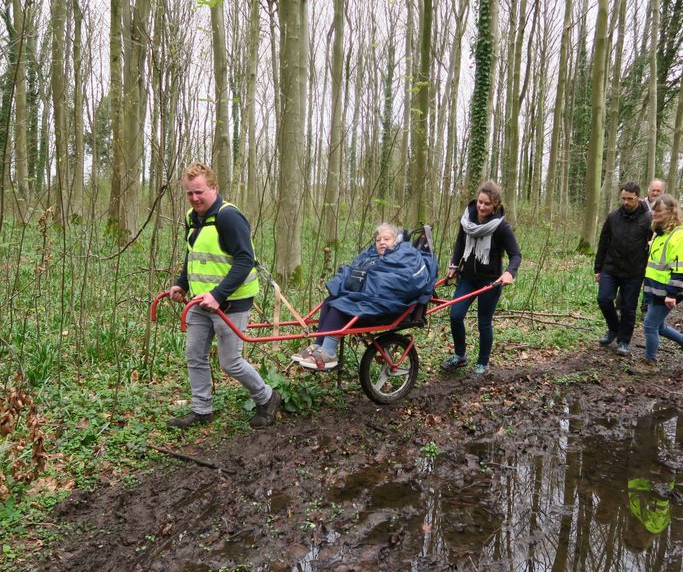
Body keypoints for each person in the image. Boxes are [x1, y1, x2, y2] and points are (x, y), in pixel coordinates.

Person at [167, 162, 281, 429]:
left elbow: (245, 260)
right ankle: (201, 410)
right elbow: (193, 255)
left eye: (200, 192)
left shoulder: (229, 217)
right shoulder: (191, 218)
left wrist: (218, 295)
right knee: (194, 354)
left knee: (230, 362)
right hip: (200, 300)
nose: (195, 198)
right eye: (189, 193)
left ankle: (267, 397)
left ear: (214, 188)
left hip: (231, 301)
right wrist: (181, 283)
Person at [292, 224, 437, 369]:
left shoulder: (403, 256)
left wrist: (359, 289)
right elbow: (354, 273)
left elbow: (393, 283)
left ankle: (329, 353)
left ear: (396, 241)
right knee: (329, 301)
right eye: (378, 239)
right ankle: (319, 346)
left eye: (386, 238)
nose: (381, 242)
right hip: (369, 300)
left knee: (343, 305)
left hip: (388, 305)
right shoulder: (372, 256)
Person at [441, 181, 522, 376]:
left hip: (491, 281)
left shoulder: (501, 227)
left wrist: (509, 272)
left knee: (483, 322)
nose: (482, 207)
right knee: (455, 315)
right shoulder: (466, 220)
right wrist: (453, 265)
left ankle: (483, 363)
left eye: (487, 204)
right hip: (468, 277)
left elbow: (516, 255)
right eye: (480, 202)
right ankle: (460, 356)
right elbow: (460, 243)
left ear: (495, 205)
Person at [642, 194, 683, 368]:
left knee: (649, 326)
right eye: (653, 211)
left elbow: (682, 270)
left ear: (671, 212)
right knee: (658, 325)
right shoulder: (662, 233)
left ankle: (649, 362)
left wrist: (671, 294)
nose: (654, 215)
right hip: (658, 288)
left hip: (669, 289)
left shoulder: (681, 236)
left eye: (659, 212)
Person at [594, 182, 652, 356]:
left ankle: (624, 341)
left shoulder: (648, 218)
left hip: (634, 271)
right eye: (623, 198)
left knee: (628, 308)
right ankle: (613, 329)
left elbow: (655, 243)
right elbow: (603, 242)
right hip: (610, 268)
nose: (626, 202)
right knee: (604, 299)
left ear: (638, 198)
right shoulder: (613, 217)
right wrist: (598, 268)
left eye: (630, 199)